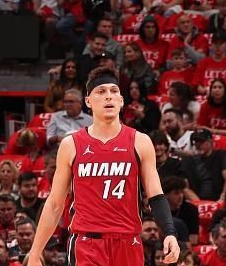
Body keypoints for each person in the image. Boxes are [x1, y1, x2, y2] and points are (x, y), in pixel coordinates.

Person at [28, 66, 179, 266]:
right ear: (88, 101)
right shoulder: (71, 144)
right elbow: (55, 204)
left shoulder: (140, 142)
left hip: (128, 241)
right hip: (87, 244)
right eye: (101, 92)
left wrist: (169, 232)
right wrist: (35, 252)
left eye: (114, 91)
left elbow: (156, 195)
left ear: (121, 100)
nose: (109, 96)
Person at [181, 128, 226, 201]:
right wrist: (199, 203)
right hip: (196, 200)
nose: (198, 144)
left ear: (211, 142)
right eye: (196, 141)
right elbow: (184, 186)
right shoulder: (187, 160)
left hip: (219, 198)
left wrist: (222, 199)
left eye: (201, 141)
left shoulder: (222, 155)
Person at [162, 176, 199, 245]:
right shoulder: (160, 210)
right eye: (176, 193)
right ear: (166, 195)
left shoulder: (191, 209)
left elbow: (194, 240)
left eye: (182, 192)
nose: (181, 196)